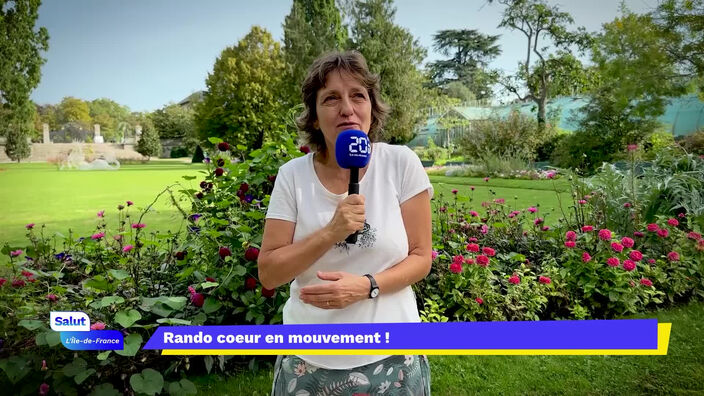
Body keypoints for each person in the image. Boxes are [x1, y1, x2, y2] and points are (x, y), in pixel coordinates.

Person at [258, 50, 433, 395]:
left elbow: (421, 256)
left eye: (358, 95)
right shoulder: (292, 176)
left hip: (393, 354)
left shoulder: (401, 164)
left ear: (372, 107)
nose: (347, 109)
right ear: (313, 116)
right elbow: (269, 273)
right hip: (309, 360)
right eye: (331, 99)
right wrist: (331, 232)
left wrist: (366, 286)